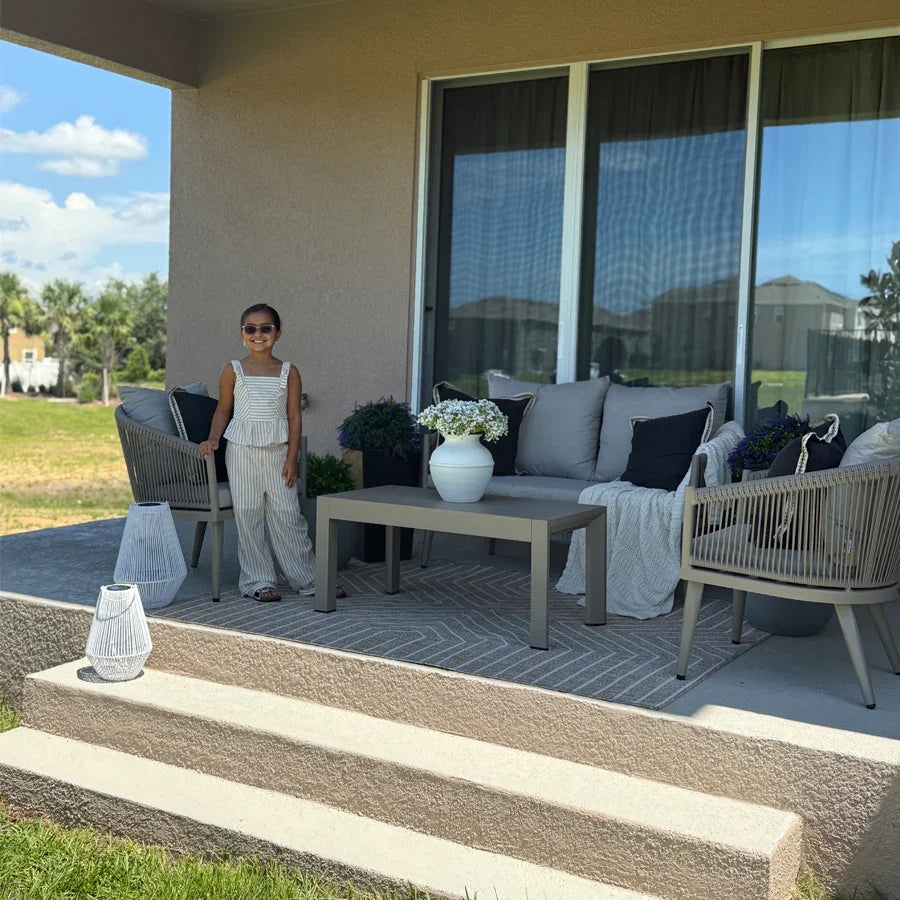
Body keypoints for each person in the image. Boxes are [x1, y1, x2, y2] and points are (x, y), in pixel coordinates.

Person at [199, 303, 345, 602]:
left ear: (278, 333)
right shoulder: (232, 370)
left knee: (288, 513)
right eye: (250, 328)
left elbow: (294, 416)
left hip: (278, 452)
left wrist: (292, 457)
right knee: (248, 513)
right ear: (242, 334)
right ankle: (258, 581)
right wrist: (213, 439)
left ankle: (308, 579)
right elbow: (223, 409)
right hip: (241, 451)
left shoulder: (289, 372)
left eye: (266, 328)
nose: (258, 334)